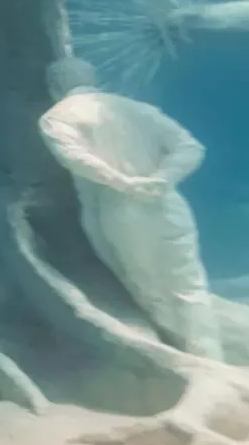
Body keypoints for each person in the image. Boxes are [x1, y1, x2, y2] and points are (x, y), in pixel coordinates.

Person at [38, 56, 219, 359]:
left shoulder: (57, 117)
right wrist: (161, 180)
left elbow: (77, 158)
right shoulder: (139, 109)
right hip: (168, 205)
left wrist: (124, 183)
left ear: (54, 85)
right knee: (190, 286)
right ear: (92, 79)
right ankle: (212, 361)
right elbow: (191, 147)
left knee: (146, 287)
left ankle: (179, 360)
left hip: (120, 209)